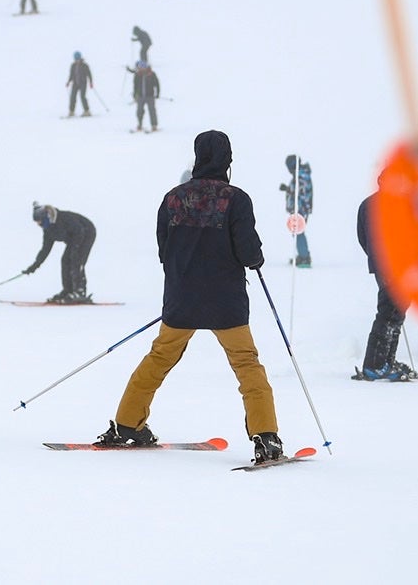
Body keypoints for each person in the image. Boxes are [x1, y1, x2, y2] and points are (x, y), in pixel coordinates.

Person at [95, 129, 284, 464]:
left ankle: (127, 424)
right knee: (246, 364)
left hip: (182, 298)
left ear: (197, 157)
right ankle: (266, 436)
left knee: (159, 358)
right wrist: (255, 260)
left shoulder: (173, 198)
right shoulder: (236, 199)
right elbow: (249, 252)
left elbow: (164, 251)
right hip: (227, 302)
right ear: (227, 160)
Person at [352, 187, 417, 381]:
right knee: (390, 313)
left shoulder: (369, 204)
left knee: (395, 312)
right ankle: (375, 365)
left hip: (384, 265)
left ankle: (386, 361)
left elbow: (362, 237)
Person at [22, 203, 96, 303]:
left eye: (39, 221)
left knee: (76, 260)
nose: (38, 224)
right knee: (65, 260)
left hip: (86, 232)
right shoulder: (48, 230)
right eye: (37, 222)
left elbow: (79, 231)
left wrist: (75, 249)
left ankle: (80, 292)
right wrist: (34, 266)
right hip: (74, 238)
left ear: (46, 217)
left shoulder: (63, 219)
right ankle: (68, 291)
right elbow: (45, 250)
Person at [279, 154, 314, 267]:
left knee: (298, 231)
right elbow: (297, 191)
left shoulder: (301, 175)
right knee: (297, 232)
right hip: (298, 208)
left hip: (300, 209)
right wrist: (287, 189)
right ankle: (302, 255)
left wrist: (298, 208)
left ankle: (304, 257)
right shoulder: (299, 175)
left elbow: (302, 193)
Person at [130, 60, 160, 132]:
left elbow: (157, 84)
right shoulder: (137, 75)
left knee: (152, 111)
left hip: (150, 96)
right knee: (139, 111)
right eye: (139, 67)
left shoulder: (151, 74)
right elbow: (135, 86)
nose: (140, 69)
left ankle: (154, 125)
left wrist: (157, 93)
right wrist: (135, 94)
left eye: (142, 67)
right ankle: (139, 124)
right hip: (140, 96)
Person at [65, 51, 93, 117]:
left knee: (82, 97)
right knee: (72, 97)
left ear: (80, 58)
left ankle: (87, 111)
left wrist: (91, 82)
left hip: (83, 83)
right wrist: (68, 82)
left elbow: (89, 74)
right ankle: (71, 111)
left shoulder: (85, 65)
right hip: (75, 83)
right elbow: (71, 75)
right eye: (75, 59)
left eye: (78, 59)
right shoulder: (73, 66)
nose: (77, 60)